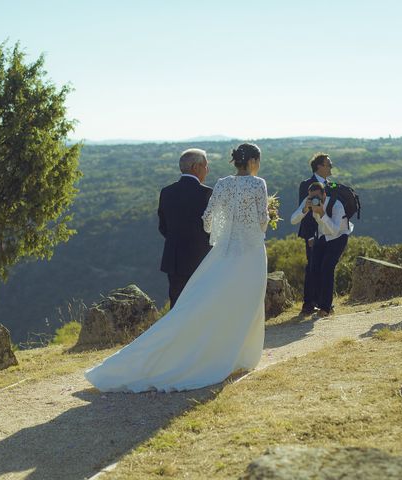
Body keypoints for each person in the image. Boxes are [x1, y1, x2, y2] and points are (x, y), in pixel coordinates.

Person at [85, 143, 269, 393]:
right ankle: (239, 354)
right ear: (253, 161)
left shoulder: (221, 185)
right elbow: (262, 221)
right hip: (249, 254)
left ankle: (185, 349)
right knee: (245, 302)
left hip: (219, 255)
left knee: (188, 308)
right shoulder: (258, 184)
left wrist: (224, 237)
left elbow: (207, 221)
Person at [158, 148, 212, 308]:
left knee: (177, 305)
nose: (207, 170)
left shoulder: (166, 192)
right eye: (206, 166)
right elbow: (213, 228)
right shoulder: (207, 193)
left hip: (174, 260)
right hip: (201, 258)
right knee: (201, 304)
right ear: (196, 167)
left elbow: (163, 227)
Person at [291, 181, 352, 317]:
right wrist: (304, 210)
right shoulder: (310, 201)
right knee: (314, 268)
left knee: (327, 268)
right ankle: (315, 303)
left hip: (339, 237)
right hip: (322, 235)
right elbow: (293, 220)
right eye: (312, 197)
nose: (314, 200)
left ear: (324, 194)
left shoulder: (336, 205)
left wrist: (322, 214)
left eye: (317, 197)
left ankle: (326, 307)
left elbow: (335, 230)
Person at [297, 153, 334, 314]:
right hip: (312, 234)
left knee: (324, 266)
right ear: (319, 166)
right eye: (328, 164)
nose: (331, 167)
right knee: (312, 267)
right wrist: (310, 236)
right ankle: (308, 303)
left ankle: (322, 301)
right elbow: (303, 212)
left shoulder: (330, 185)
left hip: (327, 232)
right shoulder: (306, 184)